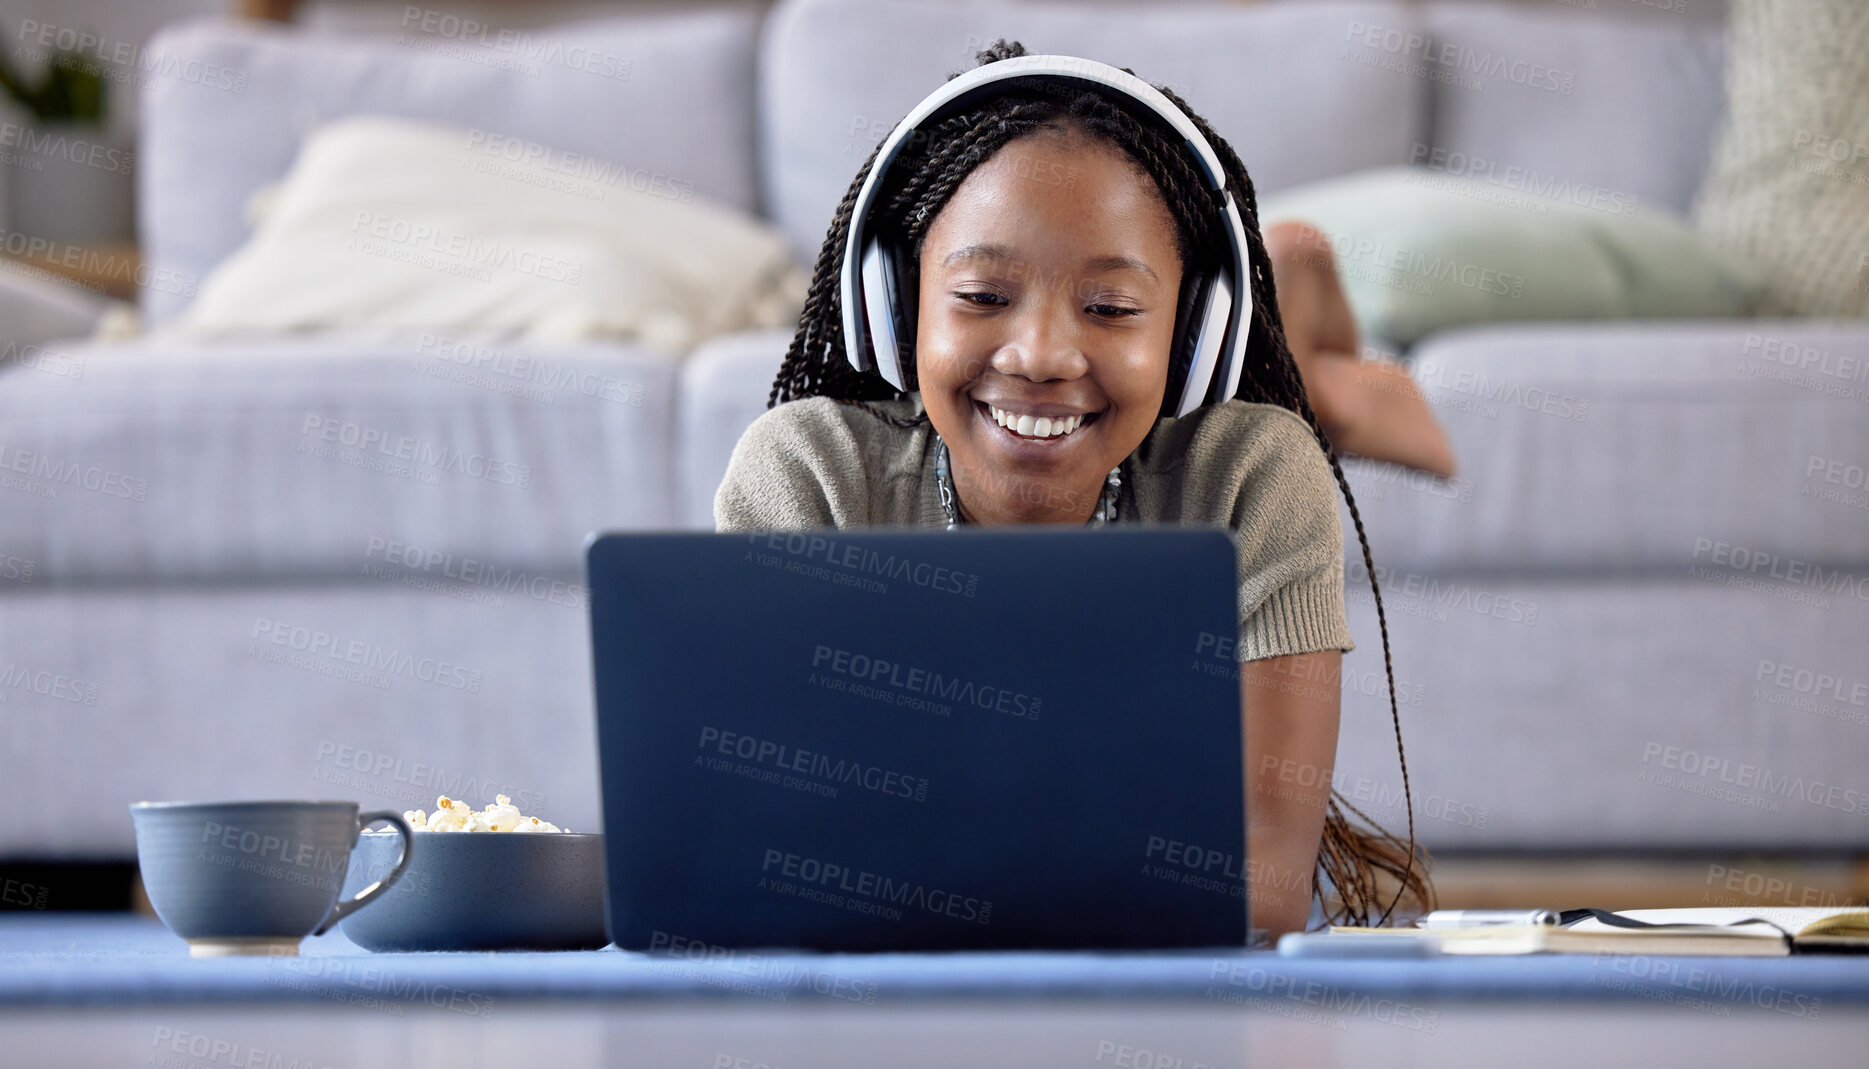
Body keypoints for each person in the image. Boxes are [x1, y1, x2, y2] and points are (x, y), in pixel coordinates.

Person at [716, 41, 1435, 935]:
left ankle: (1324, 335)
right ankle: (1321, 336)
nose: (1042, 356)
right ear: (896, 309)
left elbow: (1263, 882)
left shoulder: (1254, 475)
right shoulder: (809, 472)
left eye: (1110, 309)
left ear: (1193, 336)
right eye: (981, 294)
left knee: (1306, 372)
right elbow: (763, 854)